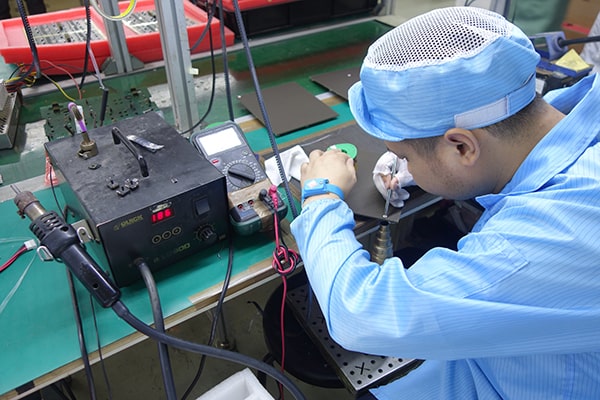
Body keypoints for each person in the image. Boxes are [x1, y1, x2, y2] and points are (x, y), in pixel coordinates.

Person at [290, 6, 600, 400]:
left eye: (405, 157)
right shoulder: (566, 112)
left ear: (462, 147)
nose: (404, 166)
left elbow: (358, 313)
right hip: (512, 359)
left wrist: (320, 196)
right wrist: (430, 166)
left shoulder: (543, 237)